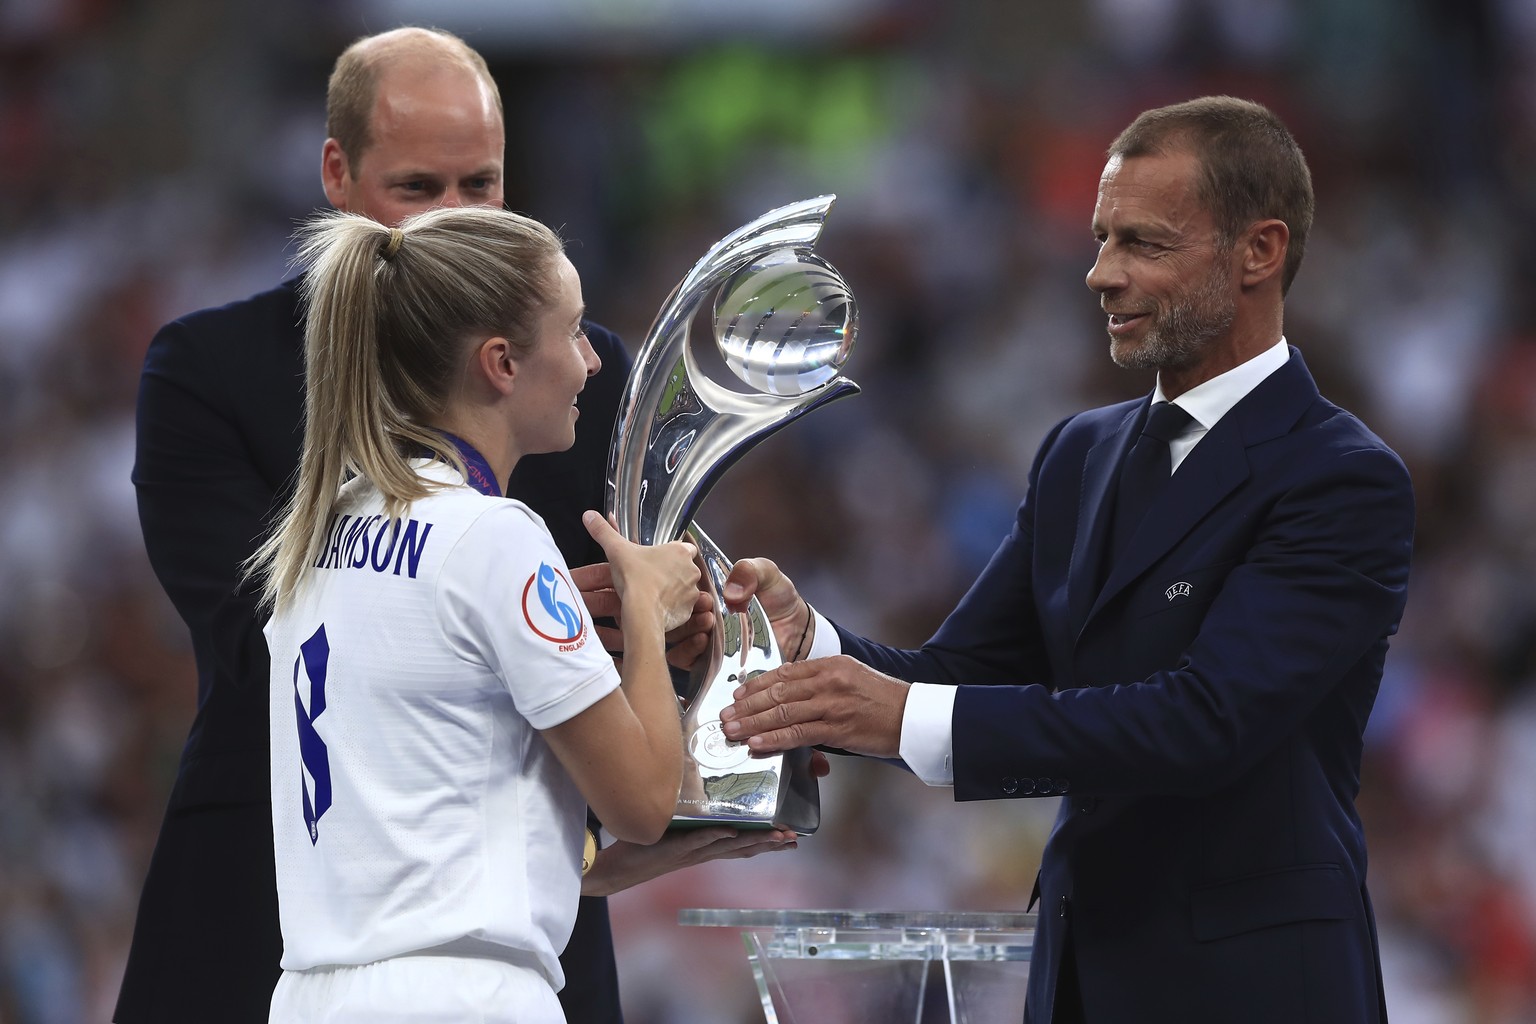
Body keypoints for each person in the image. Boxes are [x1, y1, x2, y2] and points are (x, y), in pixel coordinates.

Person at [118, 26, 794, 1024]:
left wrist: (702, 634)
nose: (453, 221)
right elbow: (273, 642)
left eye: (481, 186)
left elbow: (632, 638)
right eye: (421, 187)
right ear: (338, 175)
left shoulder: (553, 392)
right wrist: (585, 619)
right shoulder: (215, 374)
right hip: (291, 901)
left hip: (458, 921)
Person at [717, 96, 1414, 1023]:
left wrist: (900, 715)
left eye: (1144, 244)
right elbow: (961, 675)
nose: (1100, 274)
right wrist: (812, 648)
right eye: (1100, 240)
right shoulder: (1080, 453)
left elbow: (1204, 722)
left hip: (1257, 989)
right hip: (1083, 981)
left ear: (1260, 251)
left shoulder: (1342, 479)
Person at [252, 204, 697, 1022]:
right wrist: (646, 612)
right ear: (501, 364)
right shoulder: (494, 536)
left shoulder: (316, 535)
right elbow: (643, 804)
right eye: (573, 332)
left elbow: (448, 816)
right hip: (465, 995)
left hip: (313, 994)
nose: (593, 362)